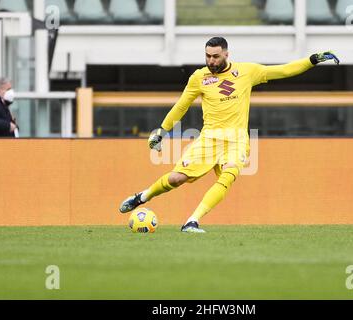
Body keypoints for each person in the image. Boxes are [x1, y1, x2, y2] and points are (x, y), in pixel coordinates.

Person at [119, 37, 340, 233]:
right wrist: (162, 131)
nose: (211, 61)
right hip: (208, 139)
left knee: (227, 177)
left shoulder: (247, 72)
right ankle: (142, 197)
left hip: (236, 141)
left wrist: (313, 59)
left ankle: (191, 222)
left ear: (226, 54)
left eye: (215, 56)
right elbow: (181, 106)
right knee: (178, 178)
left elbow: (283, 70)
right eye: (207, 56)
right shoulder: (199, 77)